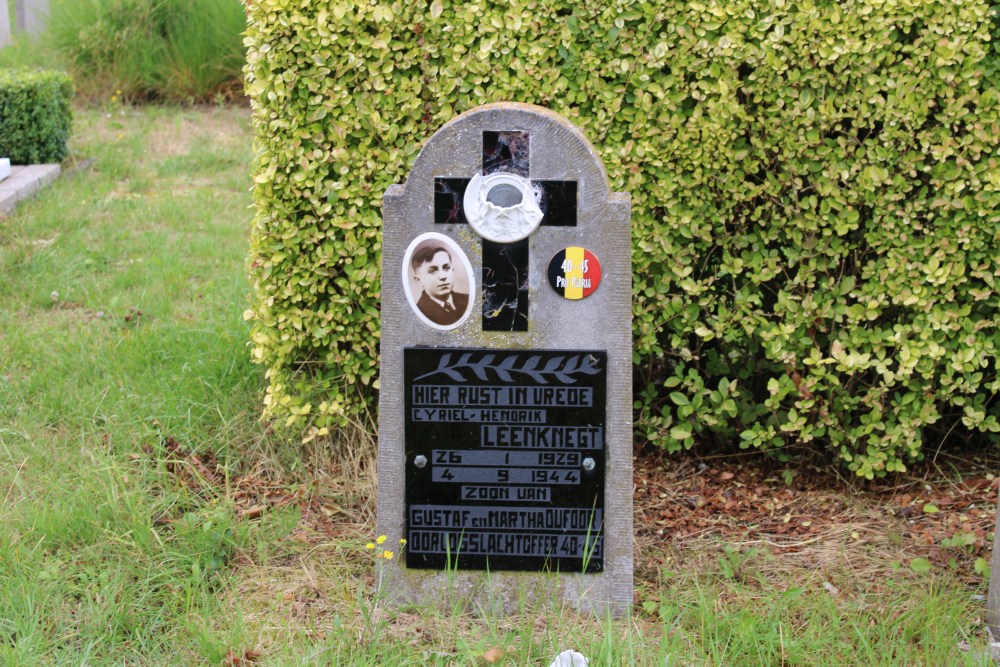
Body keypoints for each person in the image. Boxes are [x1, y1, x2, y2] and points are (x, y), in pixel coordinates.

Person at [411, 245, 469, 326]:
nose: (442, 276)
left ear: (452, 271)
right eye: (432, 271)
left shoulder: (468, 299)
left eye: (446, 268)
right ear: (419, 280)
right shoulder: (418, 313)